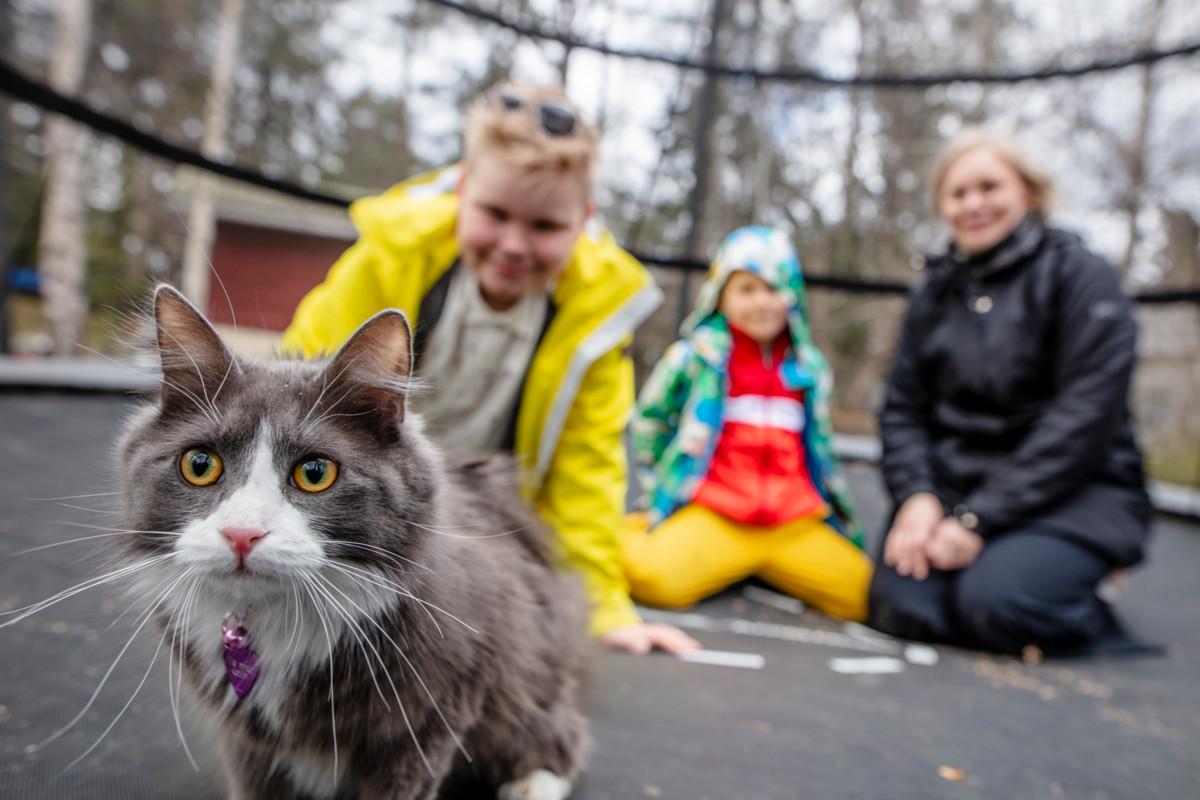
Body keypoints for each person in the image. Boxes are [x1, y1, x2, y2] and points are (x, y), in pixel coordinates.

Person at [281, 83, 698, 655]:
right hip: (364, 507)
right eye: (495, 214)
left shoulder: (595, 318)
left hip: (489, 520)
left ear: (584, 220)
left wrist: (601, 606)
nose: (513, 244)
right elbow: (298, 388)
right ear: (462, 189)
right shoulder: (387, 264)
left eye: (546, 227)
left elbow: (588, 470)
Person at [868, 127, 1154, 655]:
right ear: (942, 207)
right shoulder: (933, 291)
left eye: (989, 187)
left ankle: (1081, 590)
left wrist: (982, 518)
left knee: (998, 607)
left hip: (1071, 496)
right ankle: (992, 572)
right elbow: (903, 407)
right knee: (904, 607)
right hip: (957, 490)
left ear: (1030, 192)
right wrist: (917, 496)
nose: (974, 204)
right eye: (958, 193)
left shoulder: (1082, 277)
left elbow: (1083, 421)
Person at [622, 226, 872, 621]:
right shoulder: (696, 358)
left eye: (773, 289)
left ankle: (762, 569)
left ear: (791, 297)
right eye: (746, 289)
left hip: (794, 522)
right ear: (720, 296)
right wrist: (660, 488)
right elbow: (649, 421)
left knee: (865, 596)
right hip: (716, 515)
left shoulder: (809, 368)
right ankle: (639, 531)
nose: (762, 302)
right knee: (650, 579)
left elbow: (820, 451)